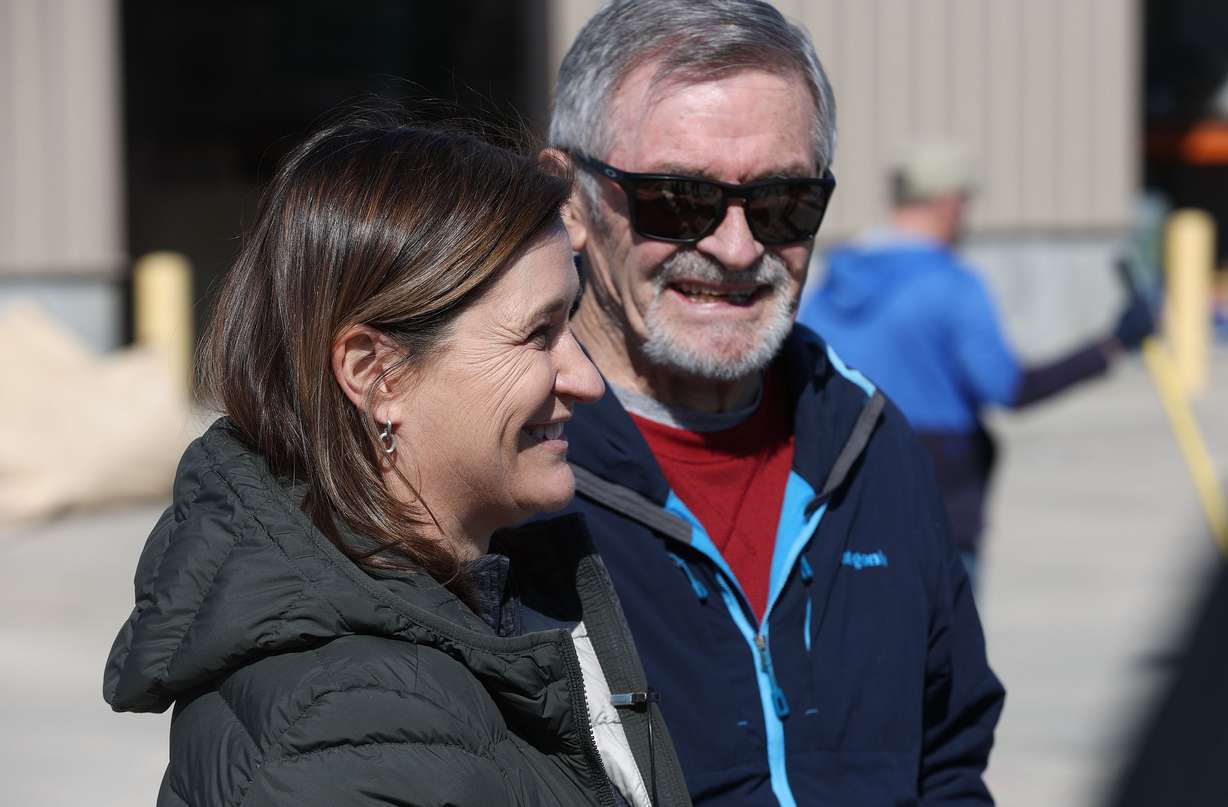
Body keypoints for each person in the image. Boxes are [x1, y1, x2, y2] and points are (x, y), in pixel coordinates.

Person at [102, 111, 693, 807]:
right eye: (538, 333)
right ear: (375, 372)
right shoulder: (343, 733)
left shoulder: (505, 588)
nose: (586, 379)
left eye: (572, 323)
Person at [547, 1, 1004, 804]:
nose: (736, 248)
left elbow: (949, 754)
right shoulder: (502, 471)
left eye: (783, 201)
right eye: (678, 198)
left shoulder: (872, 446)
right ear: (569, 201)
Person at [799, 141, 1155, 581]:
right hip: (937, 494)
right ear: (949, 204)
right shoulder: (953, 285)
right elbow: (1008, 389)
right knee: (944, 643)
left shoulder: (833, 283)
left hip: (843, 490)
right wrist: (1113, 345)